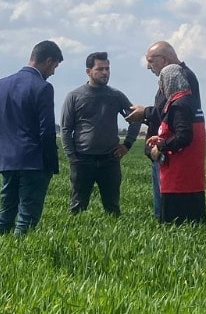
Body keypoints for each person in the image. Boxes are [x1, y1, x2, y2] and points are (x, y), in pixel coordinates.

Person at [0, 40, 63, 236]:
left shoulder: (2, 84)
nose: (53, 72)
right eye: (55, 66)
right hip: (34, 163)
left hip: (8, 162)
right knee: (27, 218)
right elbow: (47, 131)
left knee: (5, 214)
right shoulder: (43, 87)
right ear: (48, 61)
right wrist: (50, 164)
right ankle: (19, 260)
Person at [60, 52, 147, 215]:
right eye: (100, 69)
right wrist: (72, 158)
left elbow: (136, 118)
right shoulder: (74, 96)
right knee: (77, 207)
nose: (105, 73)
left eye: (107, 69)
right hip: (82, 160)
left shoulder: (115, 96)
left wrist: (127, 145)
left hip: (109, 160)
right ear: (88, 71)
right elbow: (65, 129)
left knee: (112, 208)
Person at [142, 40, 206, 225]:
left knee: (174, 217)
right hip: (178, 166)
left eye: (151, 60)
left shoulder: (180, 101)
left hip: (177, 167)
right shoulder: (179, 100)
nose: (148, 66)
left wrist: (161, 144)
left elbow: (184, 135)